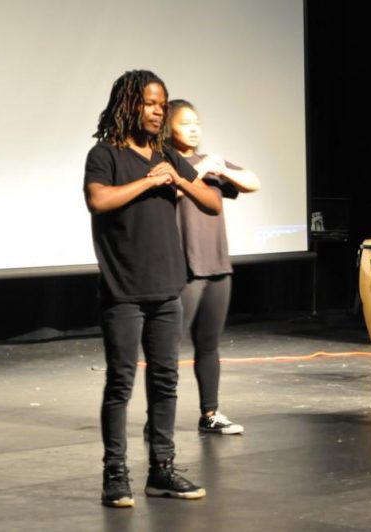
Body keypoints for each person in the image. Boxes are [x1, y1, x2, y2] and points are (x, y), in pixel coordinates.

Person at [84, 70, 221, 507]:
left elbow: (212, 203)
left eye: (162, 103)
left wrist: (178, 179)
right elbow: (98, 200)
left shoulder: (166, 155)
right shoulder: (104, 154)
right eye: (150, 102)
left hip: (167, 288)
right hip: (123, 289)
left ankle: (161, 469)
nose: (159, 110)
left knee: (165, 382)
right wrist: (149, 180)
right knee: (120, 384)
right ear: (129, 105)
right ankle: (115, 475)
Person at [167, 99, 260, 435]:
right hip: (184, 269)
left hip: (217, 265)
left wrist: (224, 170)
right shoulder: (167, 162)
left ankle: (210, 413)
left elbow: (253, 182)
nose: (193, 128)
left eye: (197, 122)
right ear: (168, 127)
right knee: (167, 347)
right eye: (185, 123)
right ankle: (158, 420)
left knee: (209, 344)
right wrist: (202, 169)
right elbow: (168, 194)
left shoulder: (210, 165)